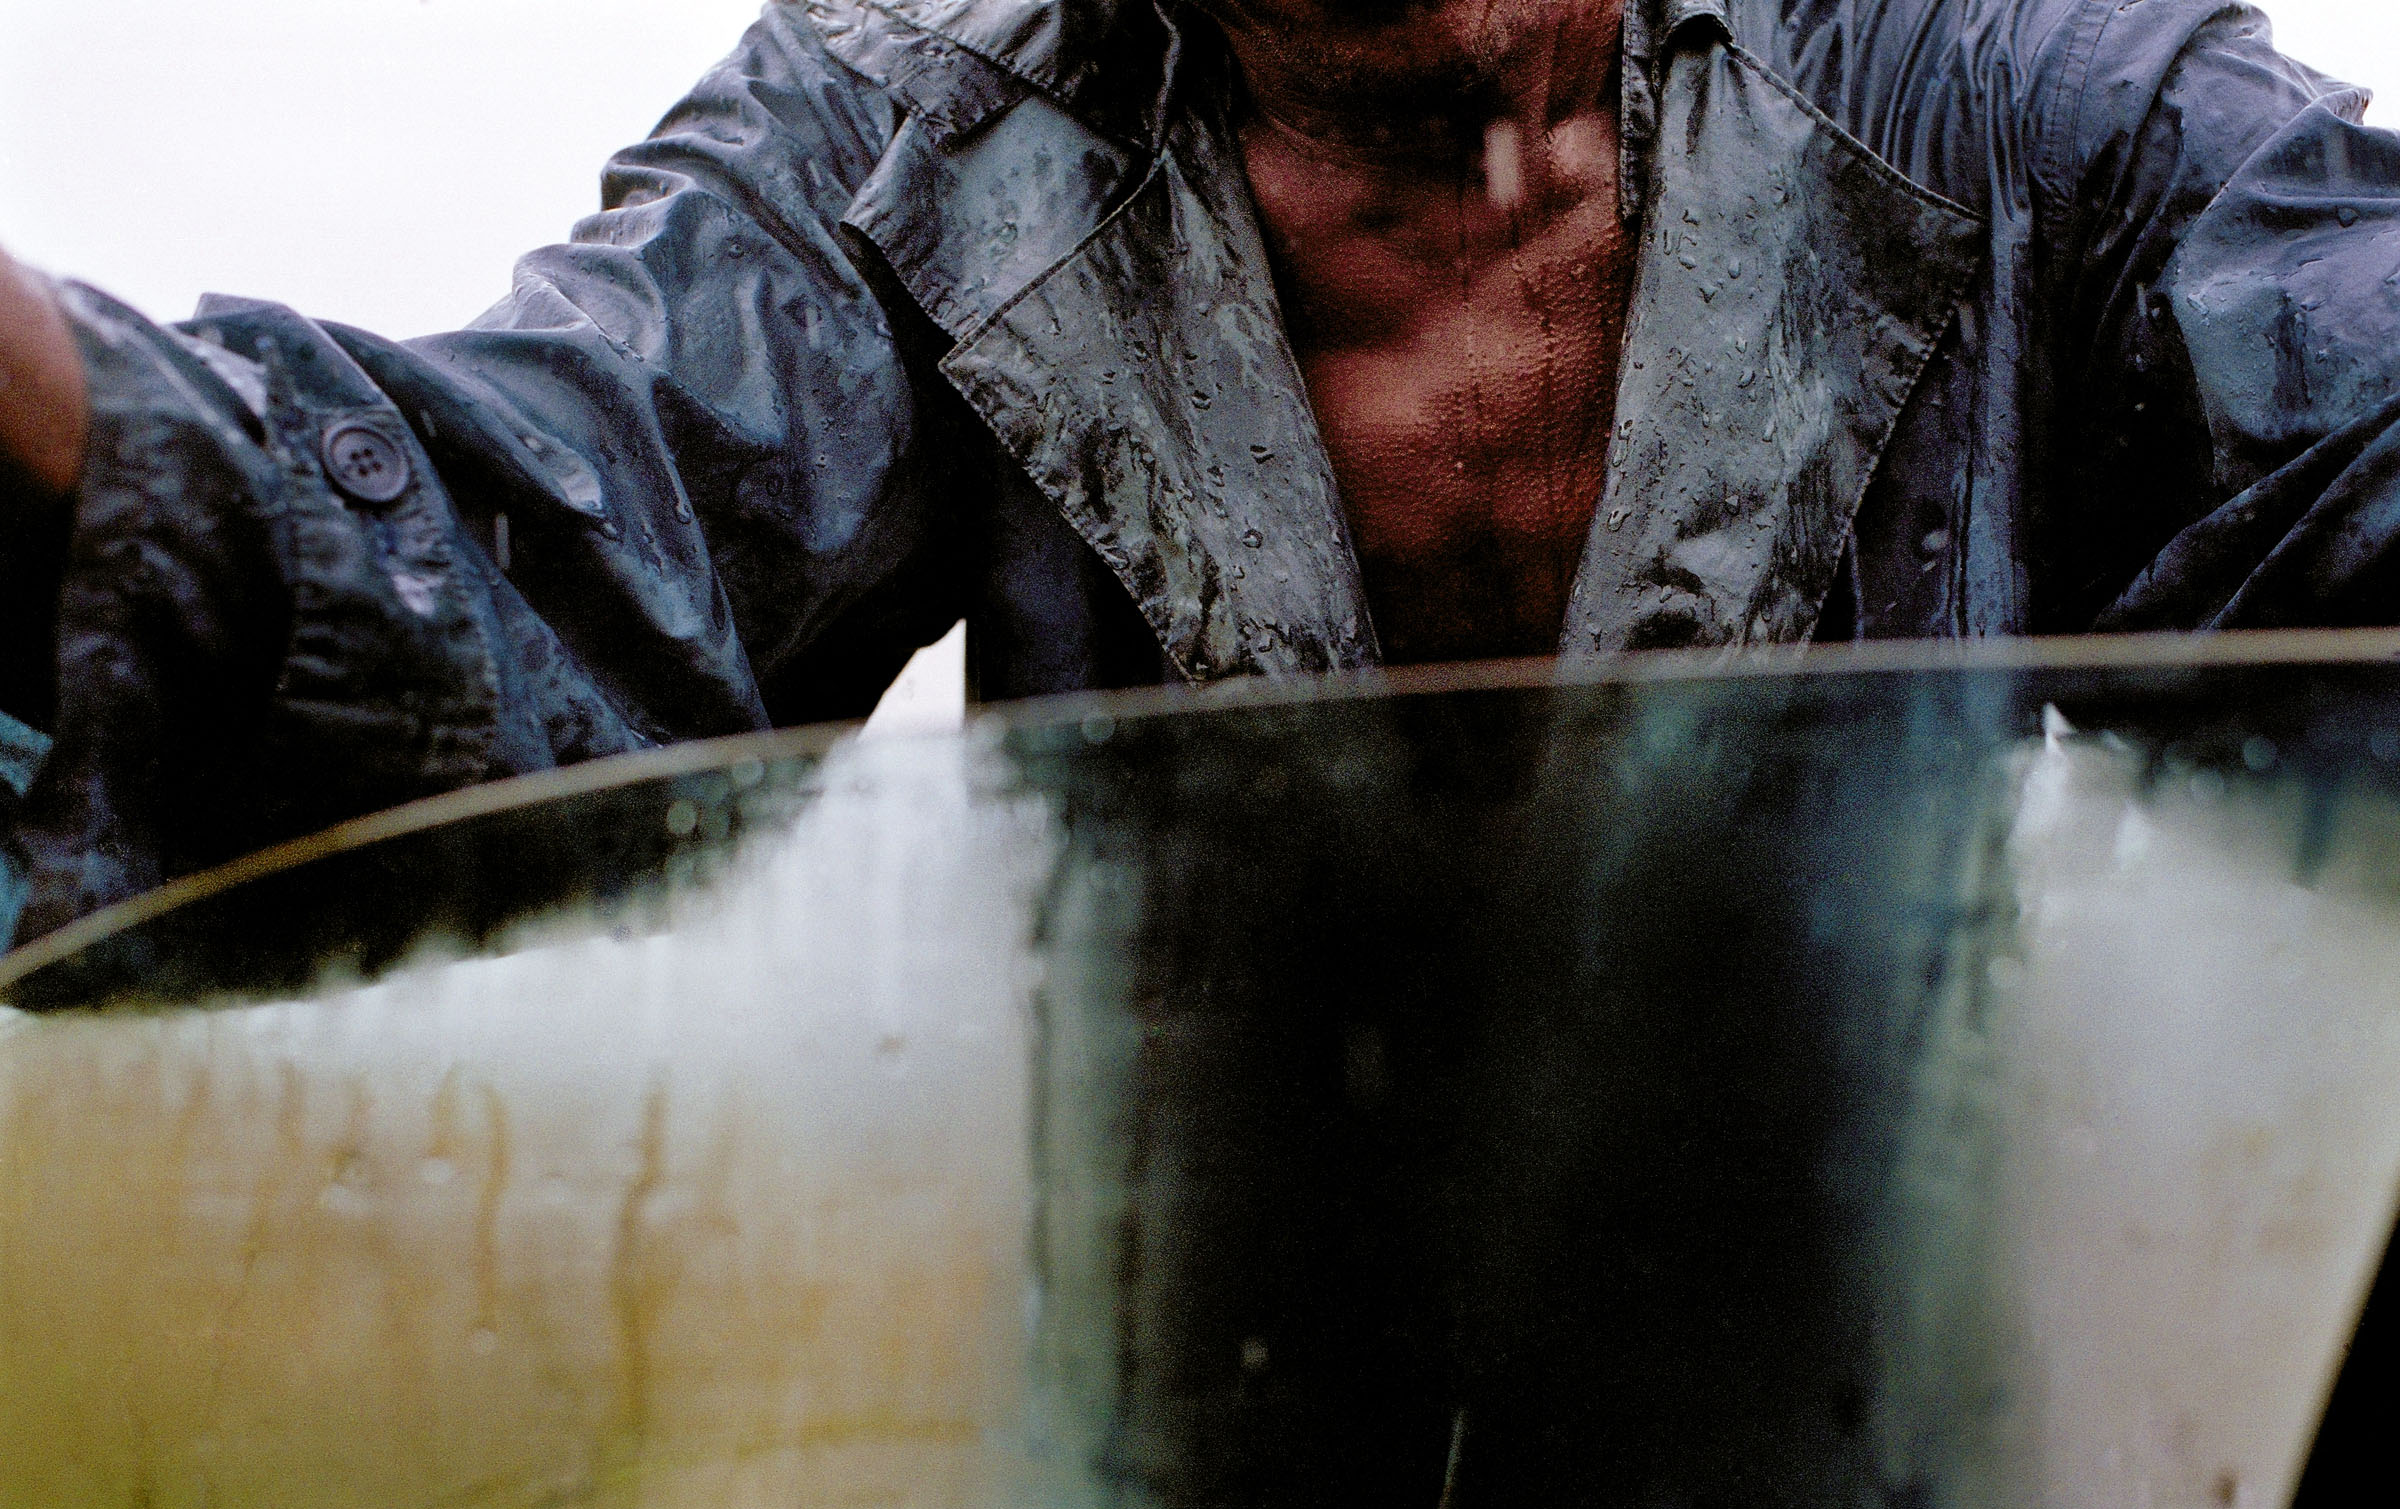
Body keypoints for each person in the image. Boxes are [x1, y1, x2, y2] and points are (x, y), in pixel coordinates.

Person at [1, 0, 2398, 946]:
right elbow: (548, 551)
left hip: (1896, 1421)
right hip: (1184, 1426)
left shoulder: (2030, 96)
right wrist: (55, 407)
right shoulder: (912, 136)